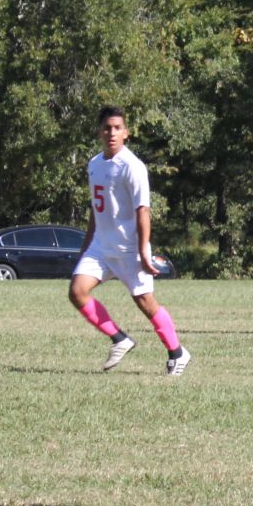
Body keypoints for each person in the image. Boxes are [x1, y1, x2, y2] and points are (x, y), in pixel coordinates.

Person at [69, 107, 189, 376]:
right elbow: (95, 208)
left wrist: (144, 251)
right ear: (99, 131)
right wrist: (86, 245)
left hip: (129, 249)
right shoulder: (94, 164)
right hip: (101, 246)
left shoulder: (132, 167)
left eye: (117, 128)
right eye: (107, 128)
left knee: (146, 303)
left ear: (126, 132)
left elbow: (142, 211)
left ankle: (177, 353)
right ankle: (120, 338)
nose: (112, 132)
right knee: (77, 291)